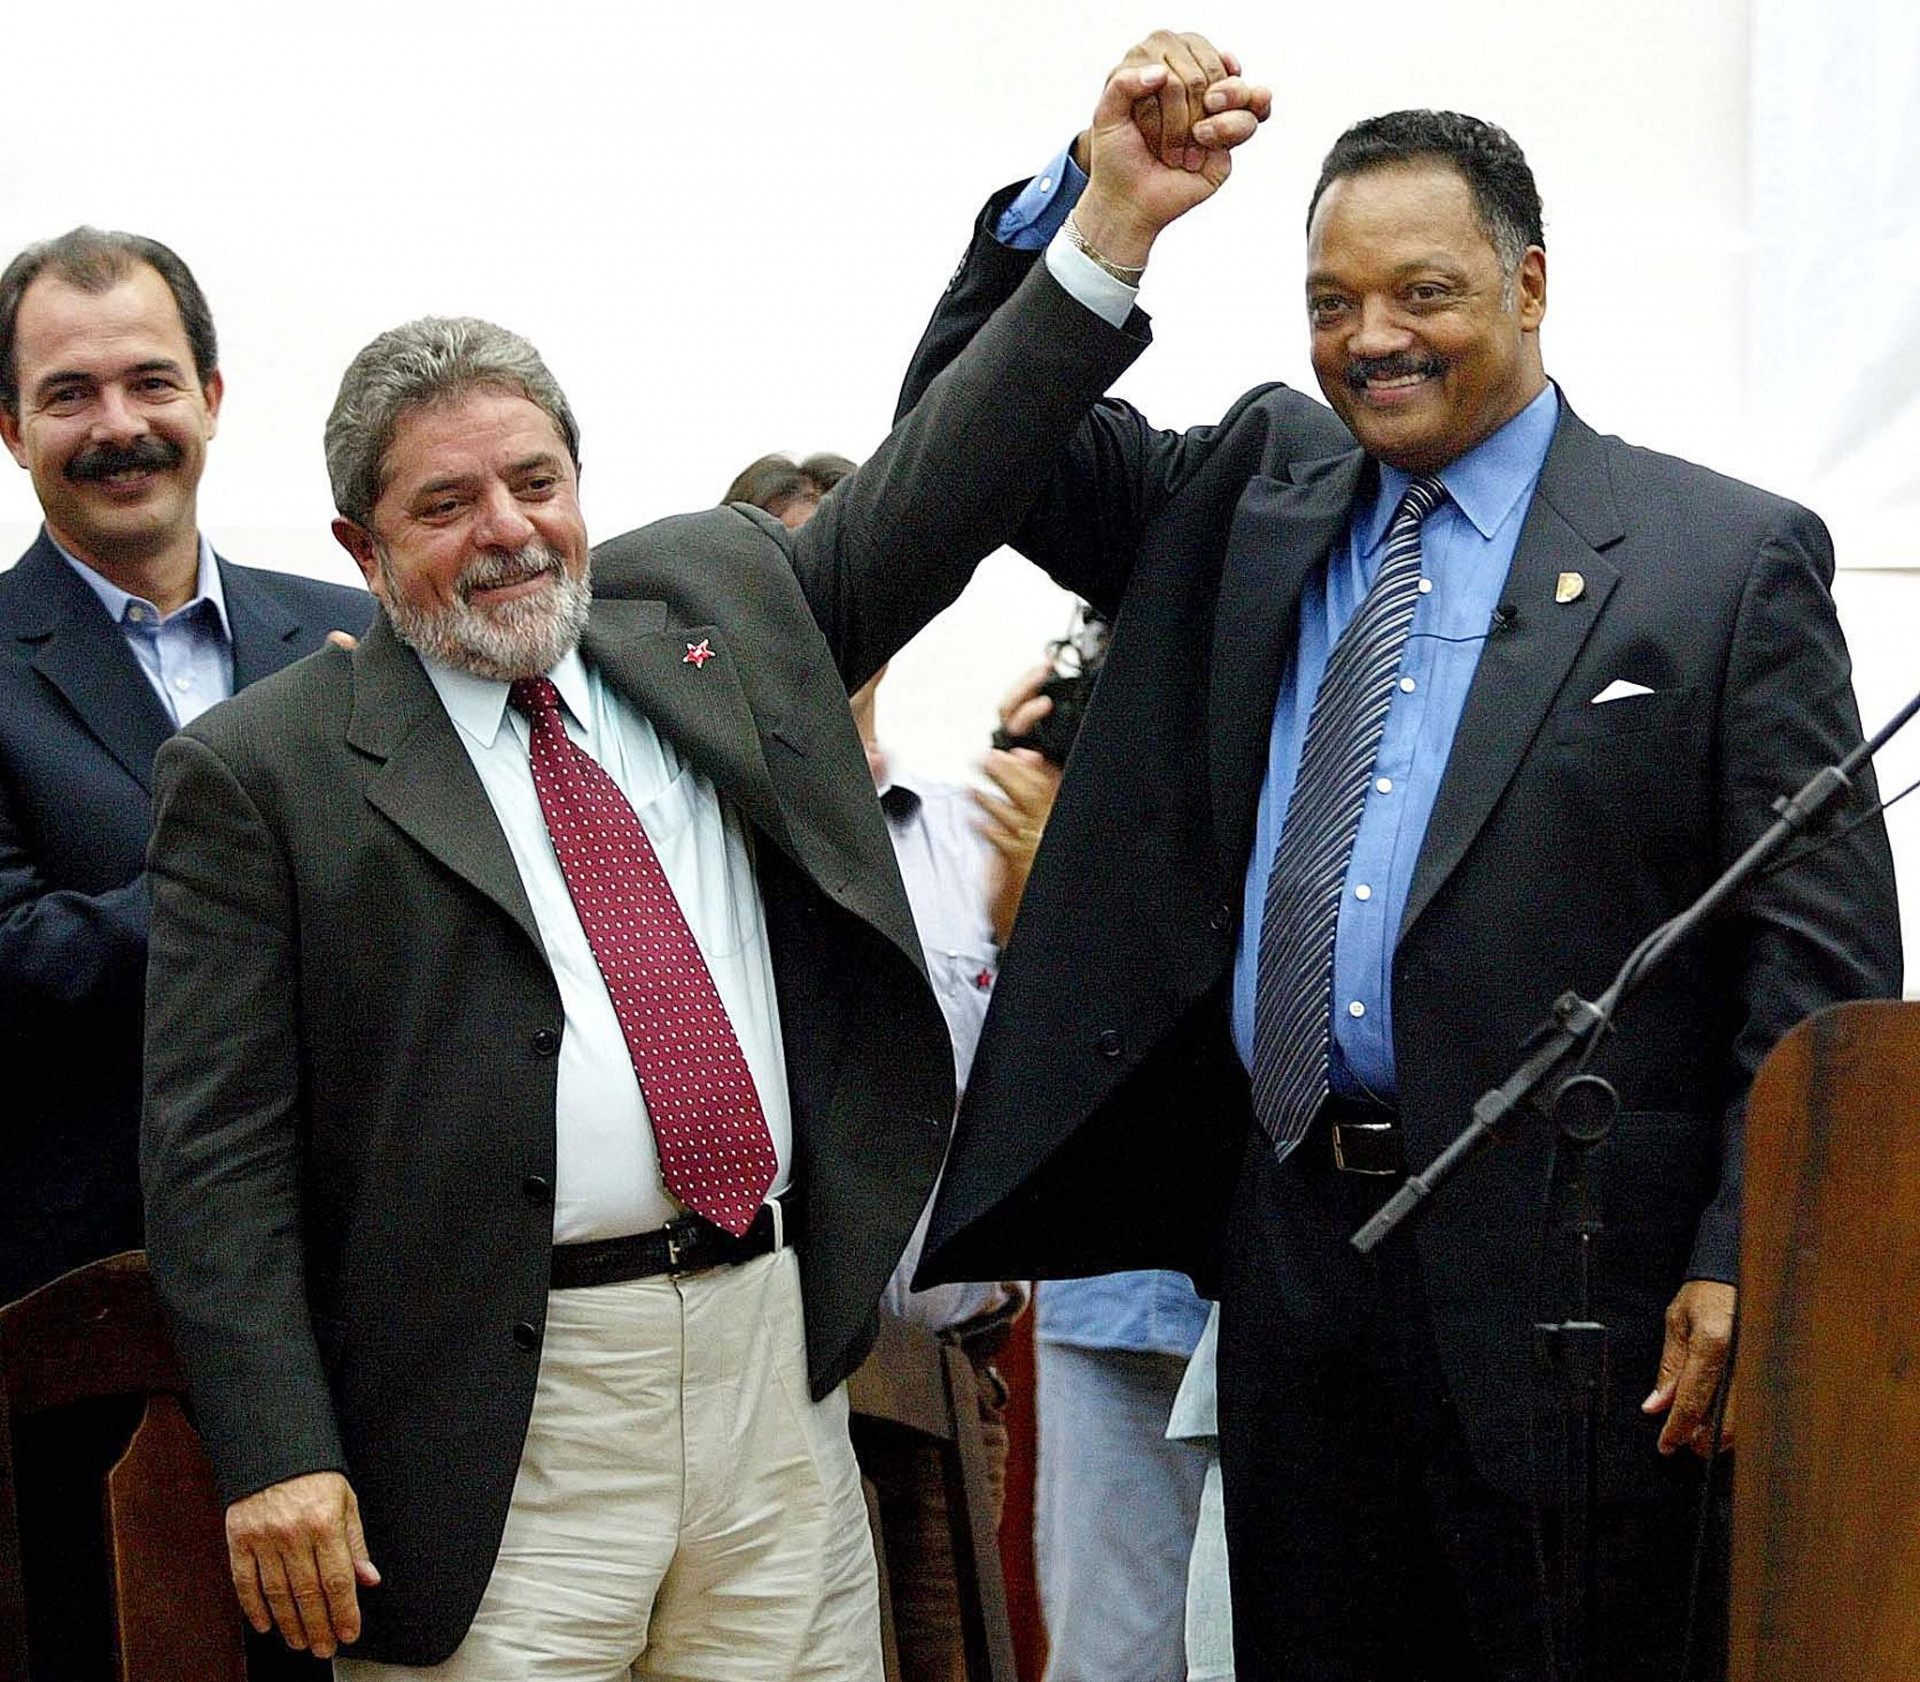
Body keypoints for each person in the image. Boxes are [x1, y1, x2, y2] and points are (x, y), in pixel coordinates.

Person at [139, 65, 1221, 1661]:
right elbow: (215, 1154)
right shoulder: (264, 768)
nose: (508, 530)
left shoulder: (711, 610)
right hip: (499, 1421)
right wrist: (278, 1446)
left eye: (537, 482)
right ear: (362, 554)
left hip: (772, 1373)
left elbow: (943, 482)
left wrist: (1112, 222)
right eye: (446, 505)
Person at [904, 31, 1902, 1680]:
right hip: (1298, 1257)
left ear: (1528, 283)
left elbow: (1819, 979)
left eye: (1423, 293)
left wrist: (1750, 1257)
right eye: (1330, 302)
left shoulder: (1721, 565)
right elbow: (975, 442)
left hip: (1594, 1288)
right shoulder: (1250, 499)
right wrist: (1103, 214)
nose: (1372, 340)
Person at [0, 226, 370, 1682]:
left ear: (213, 394)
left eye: (150, 380)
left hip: (386, 1339)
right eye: (70, 392)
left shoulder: (360, 641)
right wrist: (268, 862)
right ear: (12, 424)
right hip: (87, 1369)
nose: (119, 426)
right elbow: (14, 965)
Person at [724, 450, 1035, 1682]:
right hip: (759, 1402)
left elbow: (1045, 1106)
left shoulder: (983, 835)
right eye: (796, 577)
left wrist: (1040, 928)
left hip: (952, 1389)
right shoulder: (686, 831)